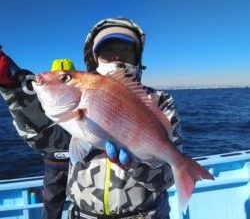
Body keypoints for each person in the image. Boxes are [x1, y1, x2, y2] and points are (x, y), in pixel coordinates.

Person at [66, 17, 182, 219]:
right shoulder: (70, 104)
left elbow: (167, 180)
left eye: (126, 50)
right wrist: (12, 90)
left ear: (137, 58)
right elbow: (44, 142)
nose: (117, 56)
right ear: (94, 58)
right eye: (107, 50)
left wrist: (133, 164)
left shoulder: (159, 101)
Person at [0, 51, 75, 219]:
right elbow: (24, 94)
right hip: (59, 164)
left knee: (58, 204)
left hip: (67, 165)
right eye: (57, 80)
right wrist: (10, 80)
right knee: (53, 205)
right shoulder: (43, 98)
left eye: (65, 79)